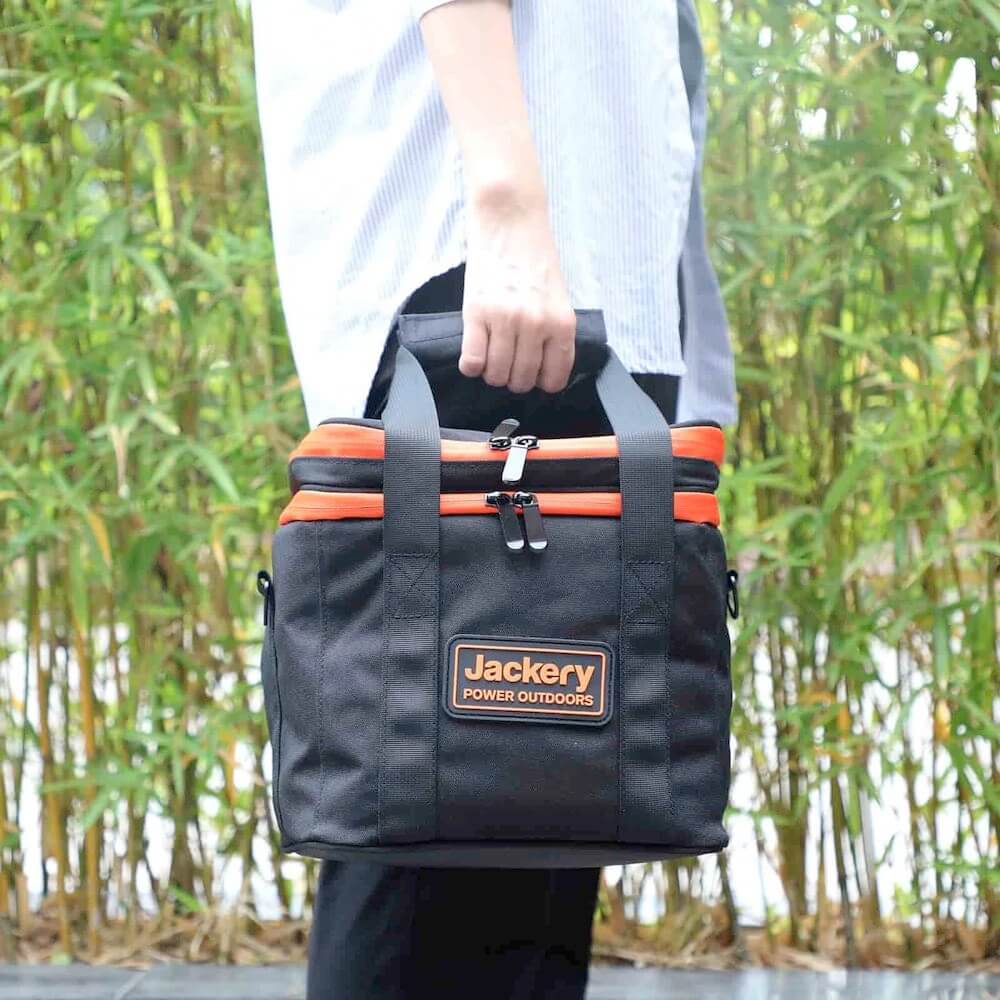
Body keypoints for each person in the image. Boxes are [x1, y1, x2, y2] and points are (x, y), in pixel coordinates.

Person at [250, 1, 737, 997]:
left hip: (584, 253)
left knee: (541, 827)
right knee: (433, 844)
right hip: (484, 249)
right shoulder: (500, 221)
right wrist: (507, 200)